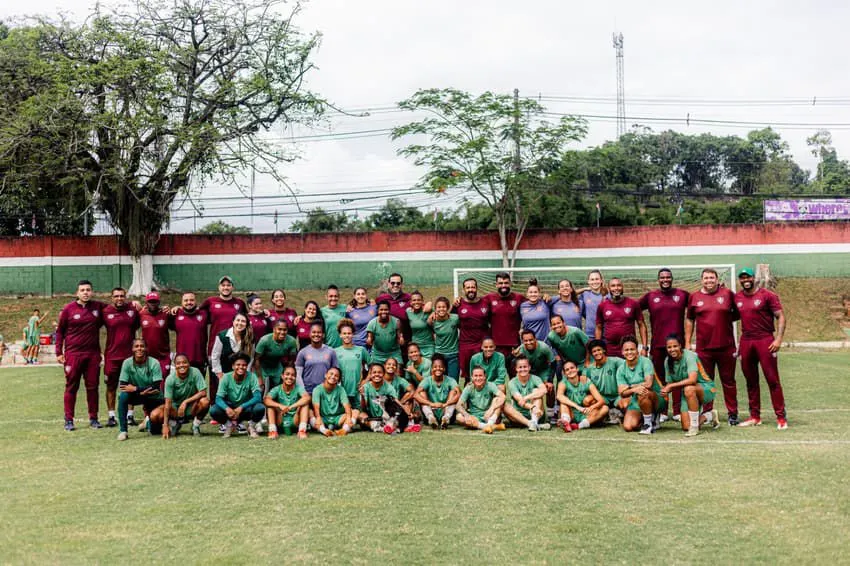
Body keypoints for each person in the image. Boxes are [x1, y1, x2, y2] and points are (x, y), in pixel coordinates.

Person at [685, 268, 740, 425]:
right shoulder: (694, 297)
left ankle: (733, 414)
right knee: (706, 383)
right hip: (704, 349)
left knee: (729, 381)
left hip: (726, 347)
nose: (709, 280)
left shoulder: (728, 294)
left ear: (717, 279)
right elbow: (690, 320)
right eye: (706, 278)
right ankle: (708, 413)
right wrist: (688, 342)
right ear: (701, 280)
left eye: (711, 278)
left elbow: (737, 314)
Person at [735, 267, 788, 429]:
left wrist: (778, 339)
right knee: (751, 381)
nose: (745, 280)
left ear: (754, 278)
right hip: (746, 341)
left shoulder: (767, 296)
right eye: (742, 278)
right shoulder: (737, 297)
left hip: (765, 340)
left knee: (772, 380)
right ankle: (755, 416)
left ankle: (781, 418)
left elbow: (780, 316)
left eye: (748, 277)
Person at [639, 269, 690, 420]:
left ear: (672, 279)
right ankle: (662, 411)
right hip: (658, 344)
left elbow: (698, 305)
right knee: (660, 378)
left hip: (677, 345)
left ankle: (677, 411)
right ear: (658, 280)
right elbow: (633, 308)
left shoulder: (682, 295)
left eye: (668, 277)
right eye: (662, 277)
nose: (665, 279)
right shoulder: (650, 296)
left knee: (677, 378)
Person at [56, 279, 107, 431]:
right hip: (73, 355)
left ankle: (94, 418)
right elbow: (60, 332)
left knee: (93, 387)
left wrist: (134, 304)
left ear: (92, 292)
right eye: (82, 290)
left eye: (88, 290)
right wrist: (59, 352)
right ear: (77, 293)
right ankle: (69, 420)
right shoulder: (68, 309)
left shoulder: (98, 307)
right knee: (71, 387)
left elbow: (117, 309)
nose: (86, 292)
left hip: (92, 355)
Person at [660, 335, 718, 437]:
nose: (672, 349)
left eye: (675, 346)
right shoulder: (667, 361)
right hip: (688, 393)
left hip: (706, 388)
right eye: (669, 347)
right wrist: (664, 391)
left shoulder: (690, 356)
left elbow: (692, 380)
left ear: (680, 346)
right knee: (686, 426)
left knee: (689, 388)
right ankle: (709, 415)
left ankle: (694, 427)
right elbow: (670, 384)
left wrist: (671, 386)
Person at [199, 275, 247, 398]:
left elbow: (248, 318)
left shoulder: (239, 303)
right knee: (216, 378)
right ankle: (215, 407)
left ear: (232, 287)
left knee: (235, 378)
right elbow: (193, 311)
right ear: (219, 287)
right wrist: (178, 308)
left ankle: (234, 407)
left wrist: (264, 312)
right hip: (215, 347)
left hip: (234, 346)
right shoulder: (210, 301)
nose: (226, 287)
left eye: (228, 285)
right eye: (223, 285)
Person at [102, 287, 140, 427]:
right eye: (116, 296)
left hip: (130, 356)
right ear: (112, 298)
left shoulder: (132, 310)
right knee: (111, 386)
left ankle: (130, 415)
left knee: (130, 386)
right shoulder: (105, 312)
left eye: (122, 296)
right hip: (112, 356)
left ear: (125, 297)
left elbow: (139, 323)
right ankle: (111, 416)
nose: (119, 298)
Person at [116, 339, 165, 440]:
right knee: (123, 396)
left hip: (153, 395)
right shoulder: (127, 363)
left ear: (146, 348)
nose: (139, 348)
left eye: (142, 346)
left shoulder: (154, 363)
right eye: (136, 346)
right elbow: (123, 385)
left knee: (155, 432)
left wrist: (136, 388)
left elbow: (156, 386)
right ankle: (123, 431)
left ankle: (148, 422)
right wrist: (140, 391)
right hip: (138, 395)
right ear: (132, 349)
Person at [616, 336, 663, 435]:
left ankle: (648, 424)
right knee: (628, 427)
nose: (629, 352)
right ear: (622, 352)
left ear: (637, 350)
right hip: (636, 400)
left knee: (643, 391)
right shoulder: (621, 369)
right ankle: (649, 418)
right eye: (626, 350)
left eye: (632, 349)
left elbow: (649, 384)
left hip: (655, 397)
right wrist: (633, 389)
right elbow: (622, 393)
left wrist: (631, 387)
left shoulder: (646, 361)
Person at [210, 353, 265, 438]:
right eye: (238, 365)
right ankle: (229, 426)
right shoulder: (226, 377)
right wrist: (227, 408)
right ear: (233, 366)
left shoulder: (252, 376)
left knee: (260, 408)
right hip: (230, 408)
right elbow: (218, 398)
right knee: (214, 410)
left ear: (247, 366)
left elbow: (257, 397)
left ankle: (251, 426)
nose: (241, 367)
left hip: (246, 409)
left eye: (244, 365)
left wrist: (241, 407)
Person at [157, 354, 210, 438]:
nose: (181, 365)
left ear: (189, 364)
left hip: (191, 407)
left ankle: (195, 426)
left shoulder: (195, 372)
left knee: (205, 401)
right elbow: (167, 404)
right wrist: (165, 425)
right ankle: (174, 424)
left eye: (184, 362)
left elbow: (203, 392)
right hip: (175, 409)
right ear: (175, 365)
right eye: (178, 363)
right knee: (155, 415)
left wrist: (185, 402)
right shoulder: (170, 379)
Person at [595, 278, 647, 359]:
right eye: (613, 286)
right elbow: (598, 328)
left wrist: (644, 348)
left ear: (622, 287)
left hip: (629, 348)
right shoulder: (602, 306)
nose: (616, 288)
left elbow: (641, 325)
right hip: (610, 349)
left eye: (619, 285)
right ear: (609, 288)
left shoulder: (633, 303)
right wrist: (598, 348)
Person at [210, 313, 254, 405]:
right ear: (233, 322)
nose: (240, 323)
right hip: (224, 371)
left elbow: (251, 358)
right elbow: (215, 356)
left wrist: (247, 373)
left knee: (238, 396)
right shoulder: (222, 336)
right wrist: (219, 374)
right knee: (223, 396)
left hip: (241, 372)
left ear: (247, 324)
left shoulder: (250, 337)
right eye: (238, 320)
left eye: (243, 321)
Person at [556, 360, 609, 432]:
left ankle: (578, 426)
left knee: (605, 408)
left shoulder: (586, 381)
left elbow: (601, 400)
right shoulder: (563, 383)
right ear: (564, 373)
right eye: (567, 370)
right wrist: (577, 407)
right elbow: (559, 396)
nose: (570, 371)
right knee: (563, 403)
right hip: (571, 413)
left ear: (577, 369)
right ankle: (566, 422)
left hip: (584, 412)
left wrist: (591, 407)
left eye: (572, 368)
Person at [455, 278, 490, 382]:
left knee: (484, 374)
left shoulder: (485, 303)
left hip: (482, 344)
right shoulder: (458, 304)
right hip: (466, 344)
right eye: (468, 287)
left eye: (473, 287)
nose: (471, 290)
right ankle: (468, 397)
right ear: (463, 290)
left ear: (477, 288)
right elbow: (448, 318)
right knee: (468, 376)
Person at [484, 272, 525, 362]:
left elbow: (534, 302)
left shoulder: (519, 298)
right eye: (500, 283)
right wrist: (458, 301)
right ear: (496, 285)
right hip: (495, 345)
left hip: (514, 344)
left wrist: (546, 297)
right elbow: (474, 303)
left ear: (510, 284)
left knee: (515, 374)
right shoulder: (489, 298)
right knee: (496, 374)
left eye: (506, 283)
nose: (503, 285)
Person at [502, 355, 550, 431]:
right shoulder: (512, 382)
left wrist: (526, 398)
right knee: (504, 405)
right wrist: (532, 407)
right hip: (519, 417)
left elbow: (544, 390)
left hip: (537, 414)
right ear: (516, 368)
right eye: (520, 367)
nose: (523, 369)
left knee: (536, 391)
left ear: (529, 367)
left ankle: (534, 421)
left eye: (525, 367)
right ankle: (532, 424)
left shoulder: (535, 378)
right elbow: (519, 400)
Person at [581, 339, 625, 422]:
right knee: (587, 400)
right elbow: (584, 383)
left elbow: (628, 365)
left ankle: (619, 413)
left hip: (617, 396)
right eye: (594, 351)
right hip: (603, 398)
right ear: (591, 354)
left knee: (625, 404)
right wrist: (583, 375)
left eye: (599, 350)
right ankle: (606, 414)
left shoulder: (615, 361)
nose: (597, 353)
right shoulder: (589, 369)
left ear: (604, 350)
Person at [334, 318, 368, 422]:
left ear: (353, 334)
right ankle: (349, 421)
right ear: (340, 335)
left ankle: (354, 420)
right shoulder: (335, 351)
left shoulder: (361, 350)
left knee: (360, 414)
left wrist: (365, 381)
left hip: (357, 390)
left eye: (349, 333)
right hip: (342, 390)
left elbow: (372, 367)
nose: (347, 335)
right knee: (345, 414)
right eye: (344, 333)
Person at [264, 365, 311, 439]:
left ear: (295, 378)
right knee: (270, 406)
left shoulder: (298, 388)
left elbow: (307, 398)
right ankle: (273, 431)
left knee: (305, 405)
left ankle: (302, 431)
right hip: (281, 418)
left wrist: (292, 407)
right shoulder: (277, 389)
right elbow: (266, 400)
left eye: (293, 375)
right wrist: (279, 406)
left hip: (295, 419)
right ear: (282, 376)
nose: (290, 377)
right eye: (287, 374)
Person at [414, 354, 460, 429]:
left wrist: (446, 404)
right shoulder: (427, 380)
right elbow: (415, 395)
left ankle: (446, 418)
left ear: (444, 369)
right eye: (435, 367)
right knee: (421, 392)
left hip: (446, 409)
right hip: (431, 410)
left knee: (454, 392)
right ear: (432, 369)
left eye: (440, 367)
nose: (438, 369)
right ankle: (431, 418)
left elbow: (459, 394)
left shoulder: (450, 380)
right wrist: (431, 404)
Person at [456, 366, 506, 433]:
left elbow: (503, 396)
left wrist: (491, 409)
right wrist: (466, 415)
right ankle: (489, 426)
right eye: (475, 376)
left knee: (497, 399)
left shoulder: (490, 385)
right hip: (475, 417)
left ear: (485, 376)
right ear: (472, 377)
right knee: (459, 417)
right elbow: (458, 405)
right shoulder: (468, 388)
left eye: (480, 375)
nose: (478, 378)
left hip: (489, 415)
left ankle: (490, 423)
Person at [168, 292, 209, 374]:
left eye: (191, 300)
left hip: (200, 359)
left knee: (199, 386)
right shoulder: (175, 314)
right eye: (186, 300)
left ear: (196, 301)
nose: (189, 302)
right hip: (182, 360)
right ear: (182, 302)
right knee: (182, 385)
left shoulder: (204, 313)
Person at [295, 322, 339, 395]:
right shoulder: (303, 352)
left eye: (319, 332)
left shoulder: (331, 351)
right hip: (308, 391)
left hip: (325, 391)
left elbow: (336, 373)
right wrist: (303, 391)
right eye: (314, 332)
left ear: (323, 335)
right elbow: (298, 375)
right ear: (309, 334)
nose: (316, 334)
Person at [254, 319, 298, 391]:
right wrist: (259, 378)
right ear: (274, 329)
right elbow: (256, 359)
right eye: (279, 329)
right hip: (263, 366)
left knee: (281, 387)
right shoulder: (264, 340)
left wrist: (287, 374)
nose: (282, 332)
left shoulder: (291, 341)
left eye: (285, 330)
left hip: (277, 366)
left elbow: (291, 360)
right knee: (260, 388)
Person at [375, 273, 413, 355]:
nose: (395, 285)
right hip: (387, 341)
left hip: (405, 340)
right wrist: (350, 306)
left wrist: (429, 304)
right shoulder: (381, 299)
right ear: (388, 284)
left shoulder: (409, 298)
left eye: (398, 283)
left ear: (402, 285)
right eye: (393, 283)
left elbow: (420, 304)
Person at [311, 367, 354, 437]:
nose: (333, 377)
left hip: (338, 418)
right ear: (325, 375)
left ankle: (344, 430)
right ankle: (324, 430)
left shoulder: (341, 389)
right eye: (331, 374)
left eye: (336, 376)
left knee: (355, 412)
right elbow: (316, 407)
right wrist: (318, 418)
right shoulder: (317, 389)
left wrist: (349, 418)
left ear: (338, 380)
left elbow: (346, 405)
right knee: (310, 412)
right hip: (323, 418)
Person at [139, 292, 171, 378]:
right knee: (147, 385)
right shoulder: (141, 314)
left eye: (155, 302)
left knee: (162, 383)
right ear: (146, 303)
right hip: (146, 356)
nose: (153, 304)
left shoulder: (166, 314)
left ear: (159, 302)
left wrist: (176, 307)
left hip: (163, 357)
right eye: (150, 302)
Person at [359, 363, 398, 432]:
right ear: (370, 375)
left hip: (386, 417)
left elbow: (395, 404)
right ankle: (379, 427)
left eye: (379, 372)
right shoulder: (366, 387)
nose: (377, 374)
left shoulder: (389, 388)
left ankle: (384, 426)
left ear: (383, 374)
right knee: (361, 416)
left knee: (394, 419)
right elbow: (363, 408)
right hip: (371, 418)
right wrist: (362, 396)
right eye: (374, 372)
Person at [429, 296, 460, 379]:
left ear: (448, 308)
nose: (441, 309)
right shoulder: (432, 321)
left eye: (444, 307)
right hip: (439, 354)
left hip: (453, 355)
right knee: (440, 380)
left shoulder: (455, 319)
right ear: (435, 309)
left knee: (453, 381)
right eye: (439, 307)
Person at [366, 300, 403, 364]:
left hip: (394, 353)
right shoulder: (372, 323)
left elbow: (399, 336)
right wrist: (369, 340)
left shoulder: (396, 322)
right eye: (381, 310)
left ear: (389, 310)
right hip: (377, 355)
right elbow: (370, 338)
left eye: (386, 310)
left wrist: (401, 339)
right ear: (378, 311)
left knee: (398, 371)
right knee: (375, 372)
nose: (383, 312)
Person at [406, 291, 435, 358]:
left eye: (419, 300)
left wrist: (430, 305)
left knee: (428, 366)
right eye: (414, 300)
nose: (416, 302)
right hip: (415, 347)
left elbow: (438, 312)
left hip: (428, 346)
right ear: (410, 302)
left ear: (422, 301)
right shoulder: (408, 312)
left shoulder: (429, 310)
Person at [580, 270, 607, 337]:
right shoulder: (585, 294)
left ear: (601, 281)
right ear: (588, 281)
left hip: (606, 334)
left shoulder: (607, 295)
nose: (594, 282)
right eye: (592, 279)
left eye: (597, 279)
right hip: (590, 334)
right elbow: (571, 294)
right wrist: (584, 289)